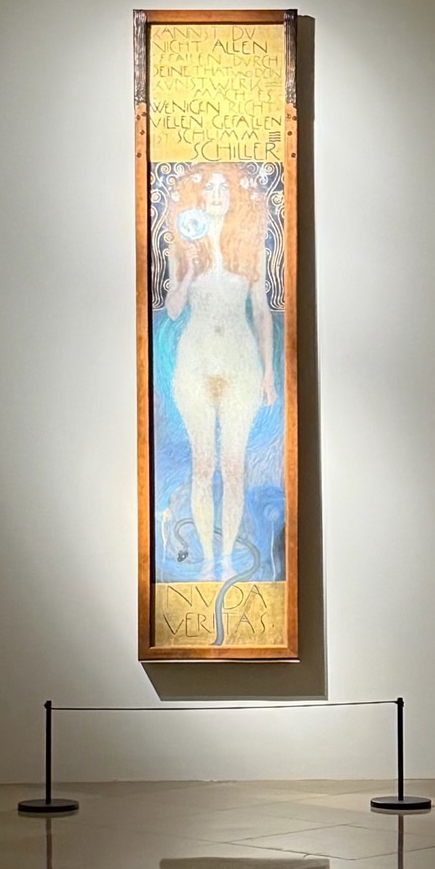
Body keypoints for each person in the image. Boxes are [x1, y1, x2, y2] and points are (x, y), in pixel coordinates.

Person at [162, 164, 277, 577]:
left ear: (233, 198)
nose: (215, 194)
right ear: (198, 198)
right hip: (195, 365)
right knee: (202, 466)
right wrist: (189, 272)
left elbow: (261, 313)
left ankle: (226, 559)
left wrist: (268, 373)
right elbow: (172, 309)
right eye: (208, 188)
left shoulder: (248, 247)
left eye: (222, 188)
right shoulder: (182, 247)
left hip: (240, 366)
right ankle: (208, 563)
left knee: (233, 468)